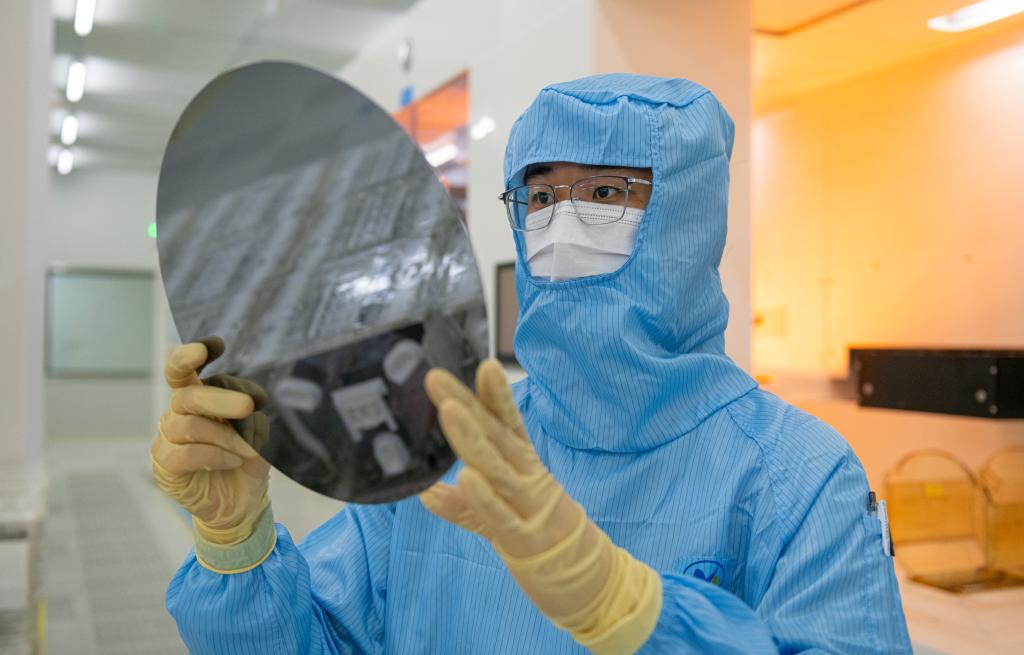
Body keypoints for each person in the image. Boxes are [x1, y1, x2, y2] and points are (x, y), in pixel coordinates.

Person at [151, 74, 912, 654]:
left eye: (606, 190)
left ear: (688, 211)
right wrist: (237, 542)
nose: (562, 224)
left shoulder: (799, 476)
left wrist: (633, 612)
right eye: (541, 196)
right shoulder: (449, 443)